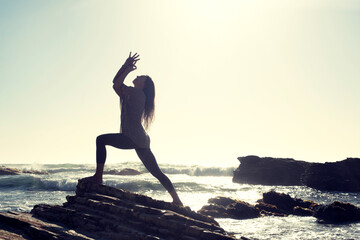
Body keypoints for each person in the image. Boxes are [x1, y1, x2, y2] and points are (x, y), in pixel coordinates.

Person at [81, 52, 183, 206]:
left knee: (100, 139)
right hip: (140, 139)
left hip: (132, 137)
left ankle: (98, 177)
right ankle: (176, 200)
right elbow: (115, 83)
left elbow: (116, 83)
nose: (139, 75)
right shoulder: (132, 94)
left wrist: (127, 68)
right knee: (156, 172)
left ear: (144, 84)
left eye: (141, 76)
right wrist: (125, 65)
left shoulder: (136, 93)